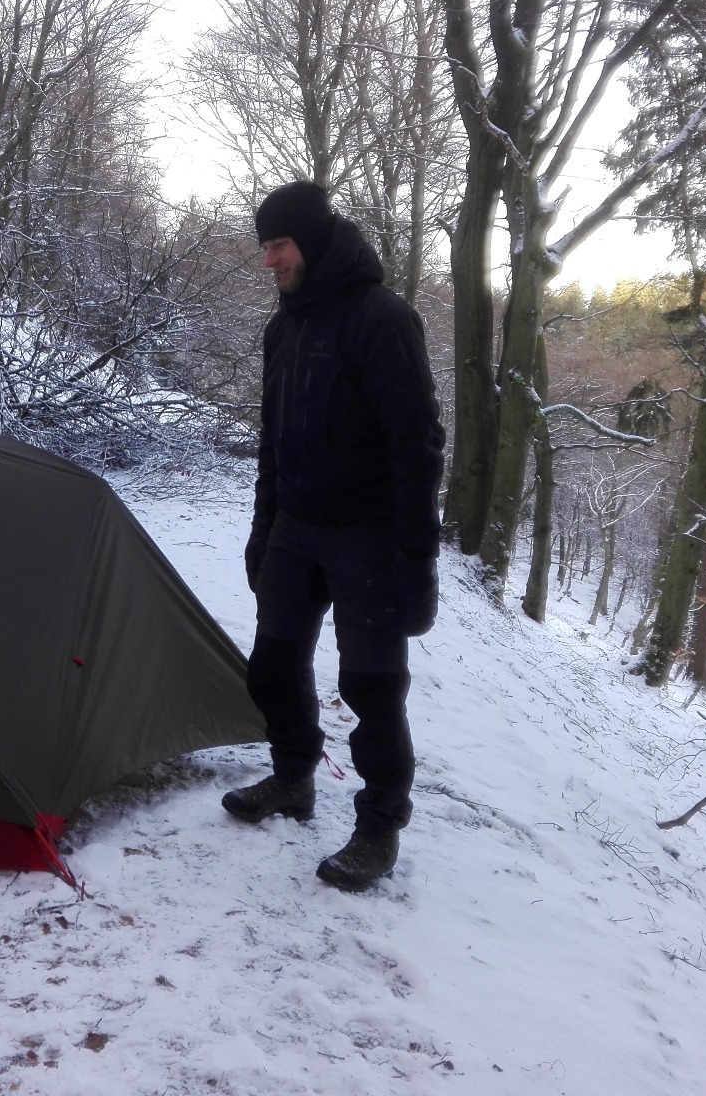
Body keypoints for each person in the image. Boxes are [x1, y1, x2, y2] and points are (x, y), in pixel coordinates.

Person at [223, 180, 445, 893]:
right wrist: (265, 528)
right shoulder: (282, 330)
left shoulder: (382, 319)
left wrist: (417, 561)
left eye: (279, 245)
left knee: (371, 689)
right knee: (273, 665)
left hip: (369, 537)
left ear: (313, 243)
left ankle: (379, 826)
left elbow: (417, 444)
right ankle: (294, 778)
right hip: (296, 525)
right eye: (264, 247)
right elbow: (272, 442)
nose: (269, 261)